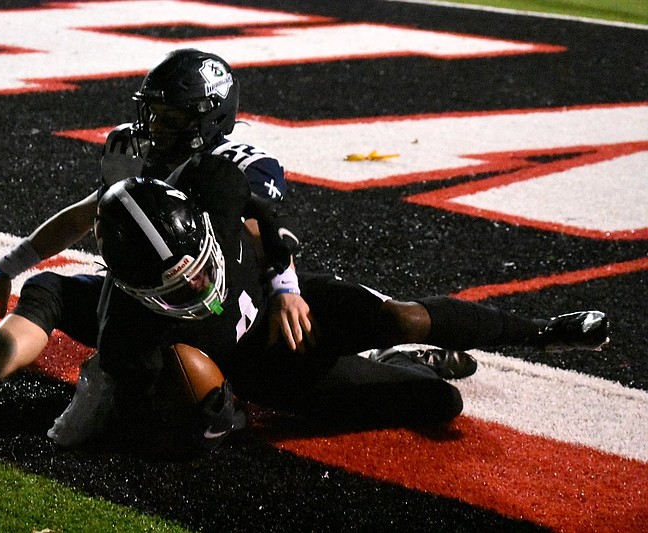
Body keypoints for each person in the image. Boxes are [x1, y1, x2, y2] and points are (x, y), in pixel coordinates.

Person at [53, 156, 609, 449]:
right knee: (438, 405)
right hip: (264, 374)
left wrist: (286, 286)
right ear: (128, 288)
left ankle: (541, 330)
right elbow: (161, 432)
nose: (198, 288)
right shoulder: (124, 330)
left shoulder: (213, 187)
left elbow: (268, 223)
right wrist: (215, 414)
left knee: (402, 316)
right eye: (174, 288)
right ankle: (401, 367)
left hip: (291, 311)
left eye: (196, 269)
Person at [0, 48, 308, 417]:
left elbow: (261, 229)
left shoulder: (240, 165)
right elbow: (85, 214)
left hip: (214, 312)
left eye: (169, 117)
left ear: (208, 121)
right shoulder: (136, 152)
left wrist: (285, 286)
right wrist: (10, 266)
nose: (153, 127)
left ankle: (144, 399)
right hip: (146, 300)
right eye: (152, 113)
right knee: (48, 290)